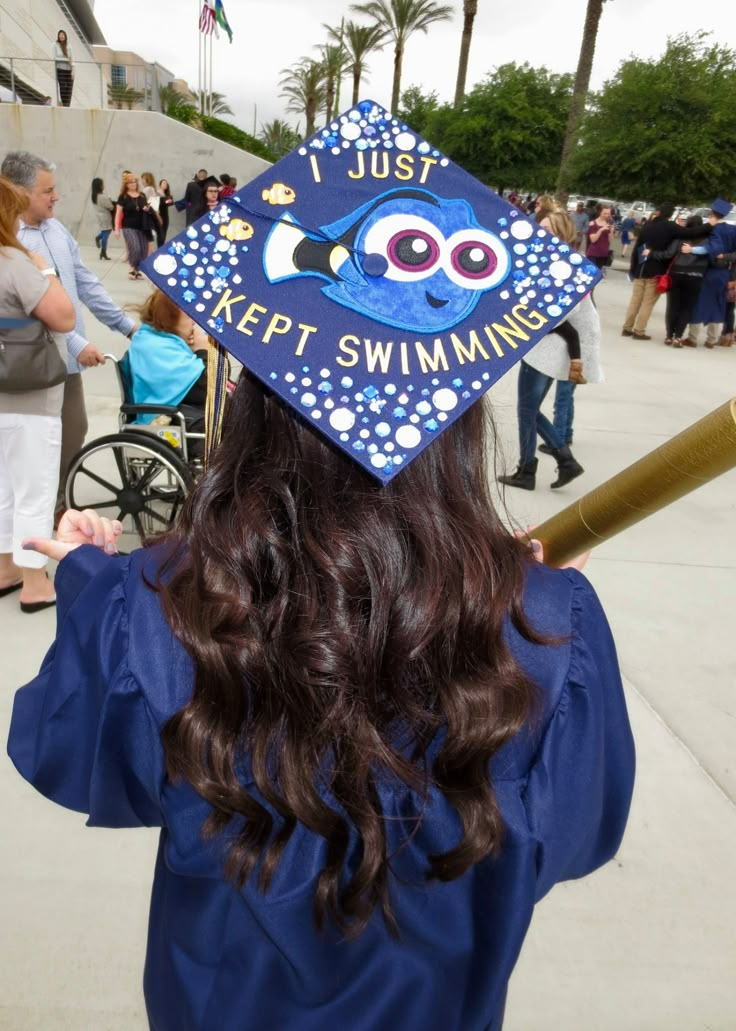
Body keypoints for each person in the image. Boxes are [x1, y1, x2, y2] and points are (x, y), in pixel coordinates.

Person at [7, 357, 635, 1029]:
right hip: (433, 1005)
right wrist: (527, 608)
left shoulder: (164, 600)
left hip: (218, 1003)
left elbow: (76, 756)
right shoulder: (548, 620)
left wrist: (88, 574)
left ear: (255, 412)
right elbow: (572, 835)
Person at [1, 151, 137, 520]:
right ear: (18, 192)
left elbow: (86, 284)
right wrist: (79, 345)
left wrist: (127, 326)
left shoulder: (56, 230)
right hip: (29, 363)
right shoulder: (10, 240)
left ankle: (57, 500)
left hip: (66, 362)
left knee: (73, 430)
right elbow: (35, 314)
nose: (55, 196)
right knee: (34, 440)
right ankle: (36, 510)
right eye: (48, 190)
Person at [0, 175, 76, 611]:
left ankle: (7, 568)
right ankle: (35, 583)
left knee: (5, 487)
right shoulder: (14, 262)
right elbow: (63, 316)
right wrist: (43, 267)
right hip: (30, 397)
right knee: (34, 490)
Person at [499, 212, 599, 492]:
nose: (539, 232)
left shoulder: (563, 264)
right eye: (538, 226)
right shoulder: (559, 260)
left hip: (547, 349)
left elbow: (563, 313)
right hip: (552, 347)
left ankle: (556, 462)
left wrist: (530, 315)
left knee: (526, 410)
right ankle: (532, 467)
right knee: (529, 410)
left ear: (561, 233)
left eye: (546, 229)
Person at [127, 289, 209, 442]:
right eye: (189, 315)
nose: (193, 321)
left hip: (180, 411)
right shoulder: (156, 347)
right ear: (171, 317)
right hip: (167, 420)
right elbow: (205, 388)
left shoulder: (156, 339)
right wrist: (203, 351)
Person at [621, 201, 709, 341]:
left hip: (641, 267)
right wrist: (710, 225)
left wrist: (633, 268)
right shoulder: (671, 227)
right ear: (671, 214)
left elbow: (637, 246)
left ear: (658, 212)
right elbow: (691, 232)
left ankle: (627, 327)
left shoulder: (647, 226)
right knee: (648, 302)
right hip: (656, 269)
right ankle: (639, 330)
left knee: (635, 300)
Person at [647, 215, 709, 348]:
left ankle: (669, 335)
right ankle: (678, 337)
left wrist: (652, 253)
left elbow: (668, 254)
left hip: (676, 274)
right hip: (696, 276)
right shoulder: (707, 241)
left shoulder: (681, 237)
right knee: (687, 308)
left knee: (673, 306)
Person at [683, 199, 736, 349]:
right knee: (718, 305)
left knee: (699, 304)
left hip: (709, 272)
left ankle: (693, 338)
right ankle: (711, 340)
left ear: (712, 213)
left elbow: (710, 249)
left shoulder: (713, 230)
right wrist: (727, 257)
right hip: (725, 273)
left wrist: (691, 249)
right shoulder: (733, 231)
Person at [114, 173, 154, 280]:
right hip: (128, 226)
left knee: (143, 250)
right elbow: (118, 214)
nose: (133, 184)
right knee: (135, 247)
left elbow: (146, 208)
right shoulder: (123, 197)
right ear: (126, 184)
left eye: (135, 182)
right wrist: (116, 229)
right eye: (130, 182)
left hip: (142, 227)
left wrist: (146, 209)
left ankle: (137, 270)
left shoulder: (141, 196)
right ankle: (131, 268)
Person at [585, 203, 615, 273]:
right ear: (599, 212)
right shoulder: (593, 223)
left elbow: (610, 240)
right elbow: (593, 240)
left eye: (608, 213)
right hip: (593, 254)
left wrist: (611, 231)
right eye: (605, 213)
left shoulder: (609, 223)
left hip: (603, 254)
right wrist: (601, 230)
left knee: (598, 275)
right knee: (591, 274)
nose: (607, 215)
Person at [91, 177, 114, 261]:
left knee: (104, 232)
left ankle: (98, 238)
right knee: (106, 234)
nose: (103, 186)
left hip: (99, 216)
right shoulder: (102, 197)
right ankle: (103, 251)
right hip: (105, 216)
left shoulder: (94, 196)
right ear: (100, 186)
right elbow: (111, 207)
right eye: (102, 184)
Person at [53, 30, 74, 107]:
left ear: (65, 36)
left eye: (63, 35)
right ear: (58, 36)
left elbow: (72, 58)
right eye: (60, 35)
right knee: (63, 87)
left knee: (69, 89)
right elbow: (55, 57)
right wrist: (66, 59)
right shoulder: (55, 45)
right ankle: (64, 104)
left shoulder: (69, 46)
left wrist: (73, 71)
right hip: (60, 69)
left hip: (69, 70)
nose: (61, 36)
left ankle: (67, 105)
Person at [156, 178, 174, 247]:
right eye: (163, 183)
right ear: (160, 185)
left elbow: (167, 204)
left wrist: (169, 202)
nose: (165, 185)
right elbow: (156, 204)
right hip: (160, 214)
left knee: (164, 231)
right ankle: (160, 247)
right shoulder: (157, 193)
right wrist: (165, 201)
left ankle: (162, 246)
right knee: (160, 233)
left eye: (166, 184)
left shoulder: (166, 194)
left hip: (165, 214)